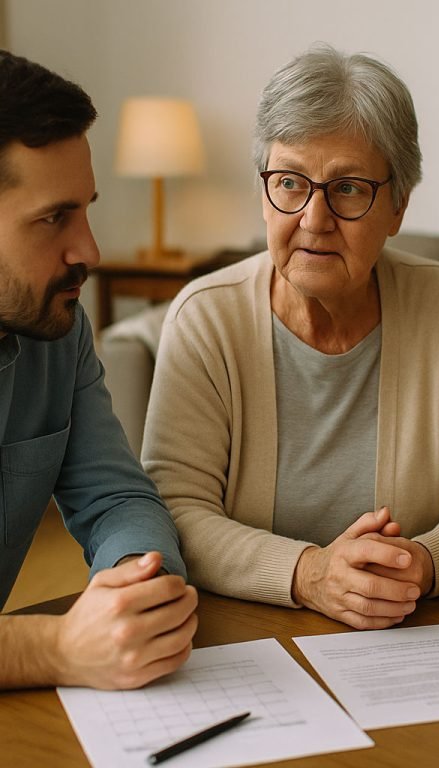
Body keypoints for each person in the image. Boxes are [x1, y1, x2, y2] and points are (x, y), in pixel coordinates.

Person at [142, 44, 439, 630]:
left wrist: (422, 564)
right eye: (289, 182)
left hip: (405, 633)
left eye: (349, 188)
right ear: (264, 192)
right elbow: (175, 511)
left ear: (398, 205)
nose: (313, 218)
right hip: (245, 632)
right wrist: (310, 574)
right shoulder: (206, 318)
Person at [0, 50, 197, 689]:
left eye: (85, 208)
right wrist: (53, 648)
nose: (90, 250)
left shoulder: (58, 330)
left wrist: (142, 586)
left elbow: (115, 498)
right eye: (55, 218)